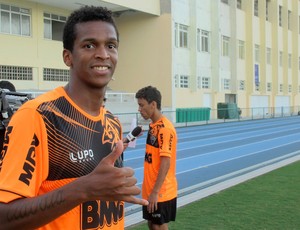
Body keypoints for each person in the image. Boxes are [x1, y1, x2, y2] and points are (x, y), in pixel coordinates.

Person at [0, 6, 148, 230]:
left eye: (111, 46)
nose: (103, 54)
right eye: (89, 45)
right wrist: (83, 189)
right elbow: (4, 218)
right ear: (68, 57)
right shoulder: (38, 116)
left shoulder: (112, 123)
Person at [135, 86, 178, 230]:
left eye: (142, 105)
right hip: (150, 189)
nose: (139, 109)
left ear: (153, 105)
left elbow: (166, 162)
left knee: (157, 226)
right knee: (151, 225)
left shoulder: (165, 129)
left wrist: (155, 192)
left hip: (161, 192)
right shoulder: (154, 126)